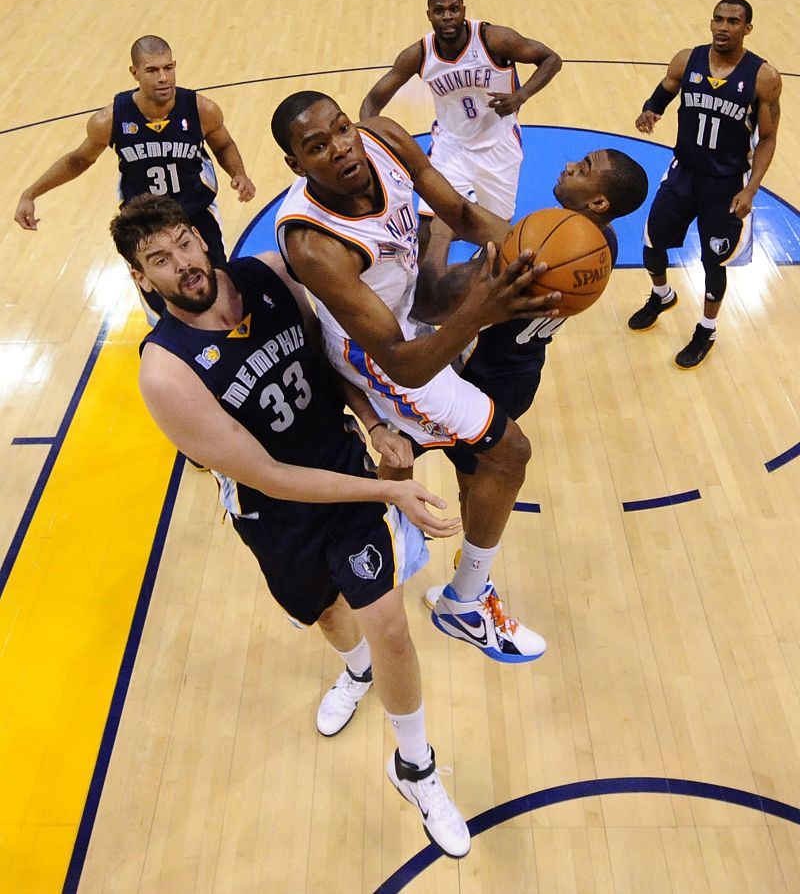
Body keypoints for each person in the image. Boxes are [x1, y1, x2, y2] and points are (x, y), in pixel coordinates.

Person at [109, 192, 473, 858]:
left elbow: (328, 358)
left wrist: (370, 422)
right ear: (142, 278)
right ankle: (355, 671)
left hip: (338, 463)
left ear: (199, 235)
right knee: (331, 616)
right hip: (273, 511)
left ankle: (414, 766)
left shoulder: (268, 275)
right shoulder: (165, 370)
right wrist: (389, 491)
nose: (183, 263)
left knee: (387, 620)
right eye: (159, 259)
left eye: (185, 242)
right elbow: (270, 476)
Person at [271, 90, 560, 675]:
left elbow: (460, 216)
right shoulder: (313, 243)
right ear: (296, 165)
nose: (341, 149)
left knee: (507, 276)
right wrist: (480, 310)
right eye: (317, 147)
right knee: (509, 453)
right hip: (382, 353)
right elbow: (403, 362)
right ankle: (464, 601)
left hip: (411, 298)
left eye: (342, 129)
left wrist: (533, 253)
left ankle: (397, 499)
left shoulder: (386, 139)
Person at [410, 150, 648, 608]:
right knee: (477, 472)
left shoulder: (535, 254)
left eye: (584, 169)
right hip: (521, 373)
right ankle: (470, 573)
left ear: (598, 202)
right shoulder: (603, 243)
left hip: (475, 377)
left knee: (417, 455)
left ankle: (460, 584)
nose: (569, 166)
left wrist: (438, 235)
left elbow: (429, 302)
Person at [15, 35, 255, 312]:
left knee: (215, 286)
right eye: (152, 70)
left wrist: (240, 174)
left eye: (168, 68)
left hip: (194, 211)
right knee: (164, 304)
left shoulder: (202, 109)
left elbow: (223, 144)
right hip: (143, 222)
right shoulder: (110, 120)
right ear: (135, 73)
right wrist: (30, 193)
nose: (163, 77)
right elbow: (78, 160)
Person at [628, 0, 782, 368]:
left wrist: (751, 189)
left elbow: (768, 138)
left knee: (714, 263)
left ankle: (706, 329)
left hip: (726, 184)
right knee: (652, 245)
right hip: (684, 172)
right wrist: (651, 110)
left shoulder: (763, 77)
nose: (722, 27)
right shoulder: (687, 58)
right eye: (718, 19)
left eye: (732, 21)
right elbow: (667, 87)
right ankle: (661, 294)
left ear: (747, 28)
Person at [359, 0, 561, 247]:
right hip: (450, 146)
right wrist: (371, 147)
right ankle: (421, 286)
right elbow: (372, 102)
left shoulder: (494, 39)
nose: (447, 16)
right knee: (429, 229)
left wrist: (520, 96)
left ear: (463, 10)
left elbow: (551, 60)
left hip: (499, 144)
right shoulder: (419, 54)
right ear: (429, 15)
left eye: (454, 9)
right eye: (439, 11)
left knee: (496, 231)